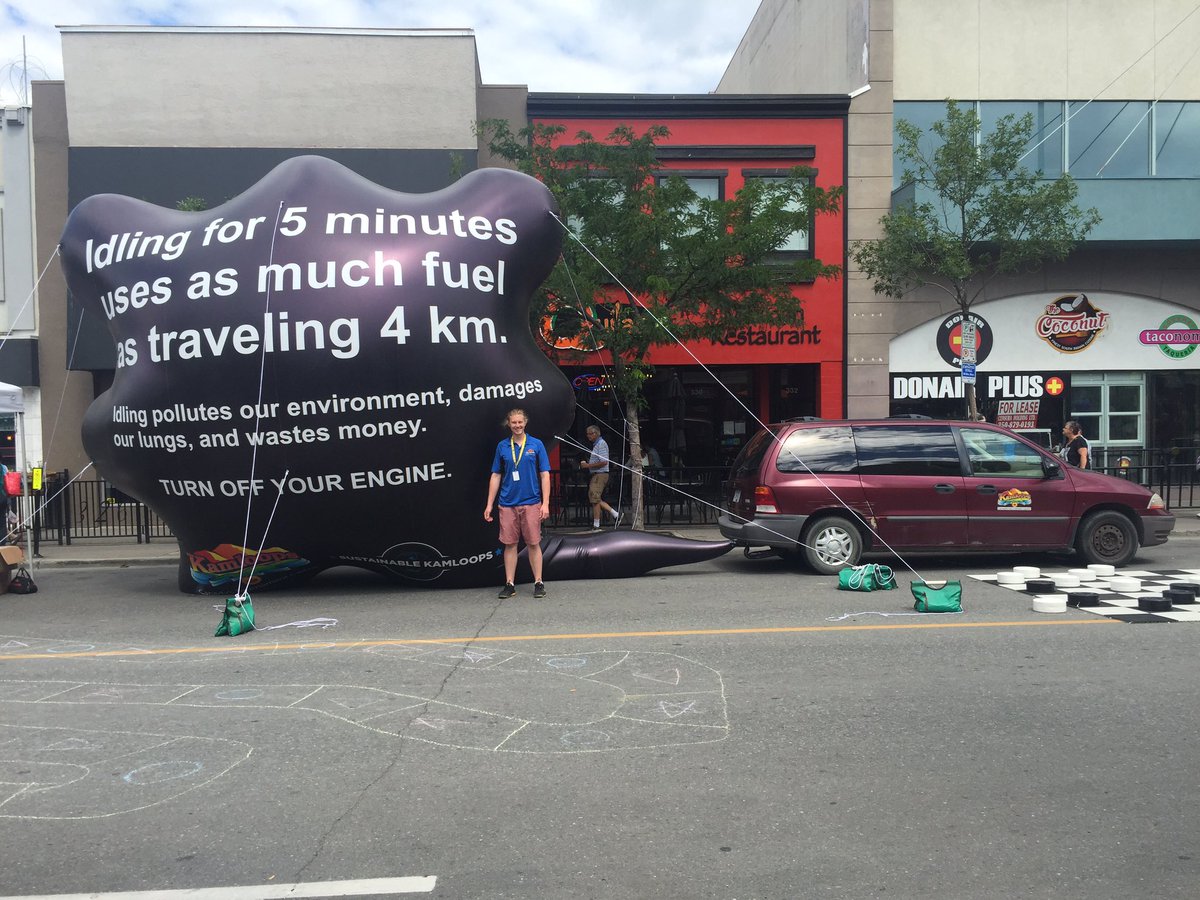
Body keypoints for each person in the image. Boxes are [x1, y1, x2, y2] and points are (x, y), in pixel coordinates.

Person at [484, 408, 550, 599]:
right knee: (510, 544)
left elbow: (545, 474)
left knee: (533, 543)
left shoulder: (536, 445)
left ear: (525, 423)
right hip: (507, 503)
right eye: (514, 423)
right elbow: (496, 475)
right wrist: (489, 504)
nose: (517, 425)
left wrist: (545, 504)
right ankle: (510, 583)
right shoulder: (502, 446)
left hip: (531, 502)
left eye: (520, 422)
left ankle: (538, 582)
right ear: (509, 424)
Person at [578, 425, 622, 531]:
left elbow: (604, 462)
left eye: (590, 433)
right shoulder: (597, 444)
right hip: (597, 474)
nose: (588, 436)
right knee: (594, 498)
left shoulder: (601, 444)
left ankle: (598, 524)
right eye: (587, 433)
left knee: (595, 498)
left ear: (596, 433)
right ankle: (615, 514)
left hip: (600, 474)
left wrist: (587, 465)